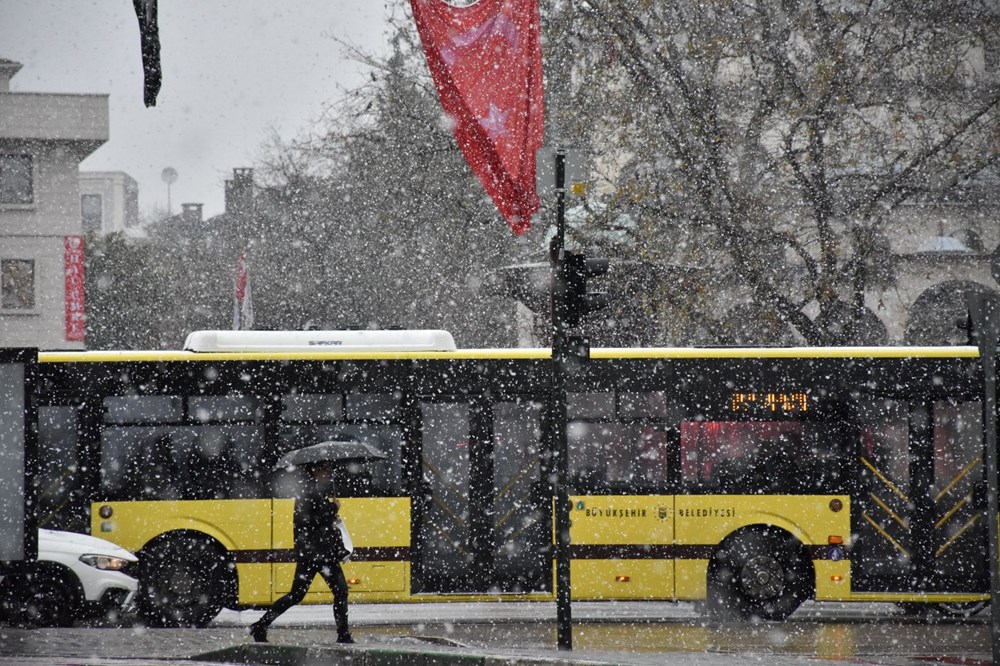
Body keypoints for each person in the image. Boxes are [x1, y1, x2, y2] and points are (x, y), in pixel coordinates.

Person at [250, 462, 353, 644]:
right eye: (325, 468)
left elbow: (314, 519)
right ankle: (343, 634)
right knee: (340, 591)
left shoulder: (310, 489)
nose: (327, 472)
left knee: (298, 594)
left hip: (313, 552)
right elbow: (311, 520)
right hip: (318, 553)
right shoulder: (310, 490)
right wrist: (333, 508)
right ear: (316, 469)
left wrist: (331, 514)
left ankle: (261, 625)